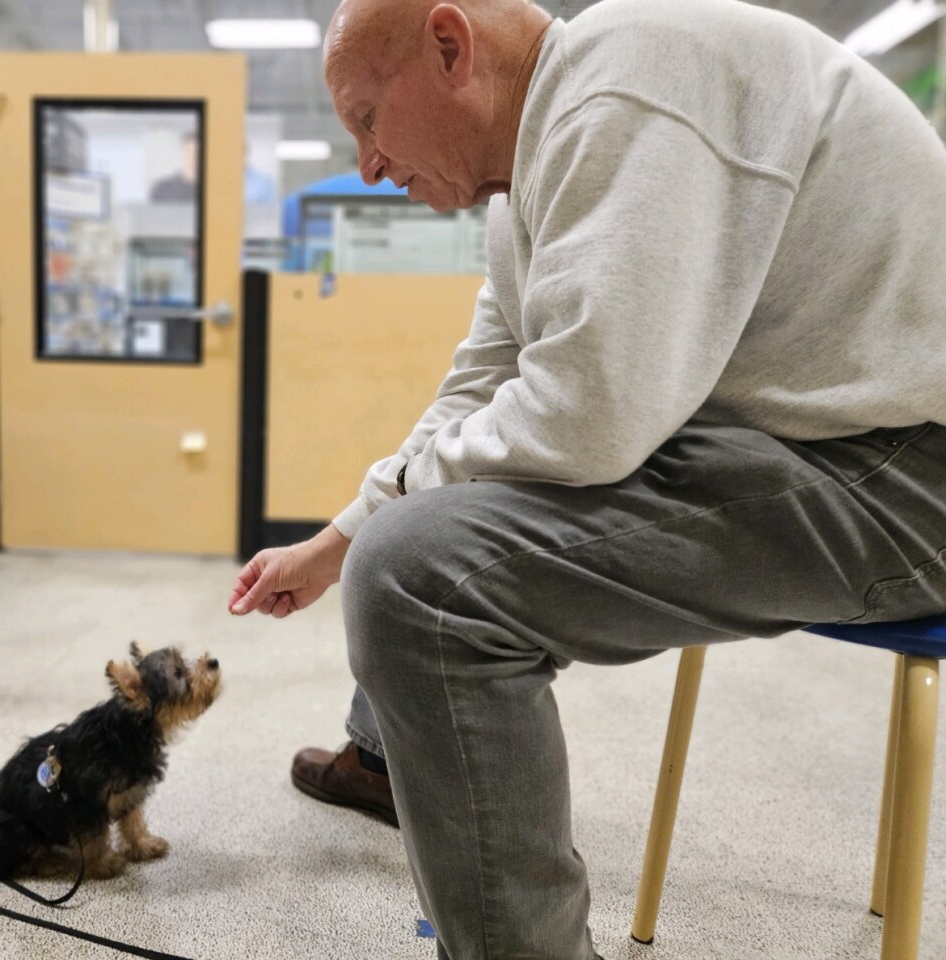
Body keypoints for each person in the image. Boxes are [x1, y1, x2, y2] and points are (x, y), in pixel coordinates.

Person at [227, 0, 946, 957]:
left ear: (450, 47)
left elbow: (585, 417)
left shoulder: (630, 87)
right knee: (411, 540)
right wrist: (332, 542)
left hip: (907, 476)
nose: (367, 162)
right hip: (821, 443)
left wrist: (380, 544)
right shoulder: (531, 172)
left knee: (424, 577)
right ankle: (387, 751)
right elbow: (485, 386)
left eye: (367, 117)